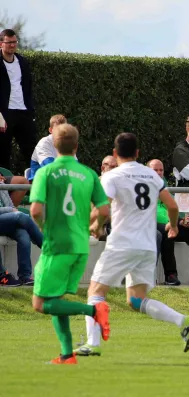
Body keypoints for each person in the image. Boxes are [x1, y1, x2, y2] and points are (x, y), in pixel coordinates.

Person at [75, 133, 189, 357]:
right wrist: (173, 226)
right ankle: (183, 321)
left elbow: (102, 208)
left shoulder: (112, 176)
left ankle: (92, 344)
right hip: (148, 246)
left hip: (122, 243)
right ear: (138, 153)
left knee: (95, 291)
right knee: (135, 300)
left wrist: (95, 225)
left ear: (115, 153)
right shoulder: (151, 175)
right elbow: (171, 206)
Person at [28, 123, 111, 364]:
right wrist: (96, 226)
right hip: (80, 245)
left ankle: (94, 311)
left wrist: (45, 229)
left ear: (54, 145)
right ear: (76, 146)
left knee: (40, 304)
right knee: (56, 300)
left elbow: (34, 210)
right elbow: (104, 209)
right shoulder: (88, 173)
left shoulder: (46, 172)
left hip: (57, 245)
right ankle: (66, 354)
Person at [0, 29, 37, 171]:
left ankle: (35, 180)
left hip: (23, 111)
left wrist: (30, 108)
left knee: (31, 149)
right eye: (9, 43)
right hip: (5, 113)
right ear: (1, 44)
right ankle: (4, 186)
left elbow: (28, 86)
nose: (12, 45)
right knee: (3, 150)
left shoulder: (22, 62)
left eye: (14, 42)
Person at [0, 190, 43, 286]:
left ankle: (25, 276)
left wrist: (10, 210)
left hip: (6, 219)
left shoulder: (1, 185)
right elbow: (12, 210)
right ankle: (47, 246)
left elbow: (11, 205)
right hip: (7, 216)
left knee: (24, 235)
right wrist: (10, 210)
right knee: (20, 216)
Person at [29, 114, 71, 181]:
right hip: (39, 182)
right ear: (51, 130)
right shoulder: (43, 144)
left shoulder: (67, 144)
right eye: (58, 130)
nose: (61, 133)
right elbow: (51, 168)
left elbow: (75, 166)